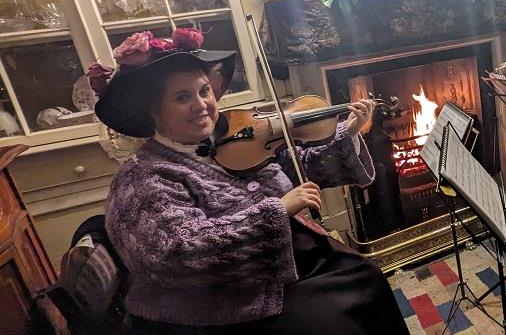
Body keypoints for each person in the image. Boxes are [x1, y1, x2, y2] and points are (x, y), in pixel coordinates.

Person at [89, 28, 409, 335]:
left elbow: (299, 164)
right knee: (337, 318)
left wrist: (349, 132)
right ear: (154, 111)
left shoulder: (226, 139)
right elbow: (176, 254)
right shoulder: (141, 177)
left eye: (204, 91)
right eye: (183, 97)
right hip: (226, 302)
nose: (201, 105)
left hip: (286, 261)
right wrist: (278, 210)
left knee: (367, 275)